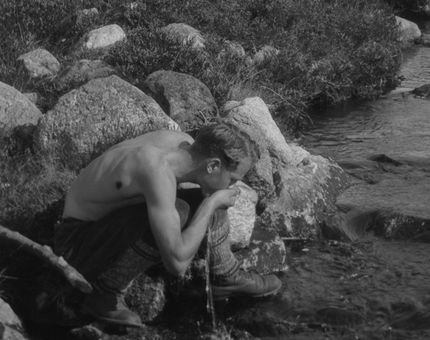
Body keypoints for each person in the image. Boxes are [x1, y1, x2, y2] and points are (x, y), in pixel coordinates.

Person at [53, 121, 282, 328]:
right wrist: (211, 204)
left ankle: (226, 275)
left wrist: (210, 200)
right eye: (232, 179)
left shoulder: (183, 146)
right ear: (213, 165)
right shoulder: (156, 170)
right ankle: (104, 292)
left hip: (103, 223)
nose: (231, 187)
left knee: (203, 197)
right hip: (75, 243)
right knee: (182, 209)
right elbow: (177, 264)